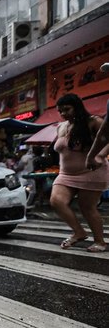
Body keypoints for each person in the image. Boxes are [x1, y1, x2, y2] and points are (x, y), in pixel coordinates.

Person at [49, 93, 107, 252]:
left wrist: (101, 155)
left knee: (87, 207)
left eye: (66, 109)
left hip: (91, 171)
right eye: (60, 111)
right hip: (66, 174)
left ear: (77, 107)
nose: (63, 114)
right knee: (56, 201)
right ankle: (79, 232)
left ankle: (100, 242)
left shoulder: (93, 122)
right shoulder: (61, 127)